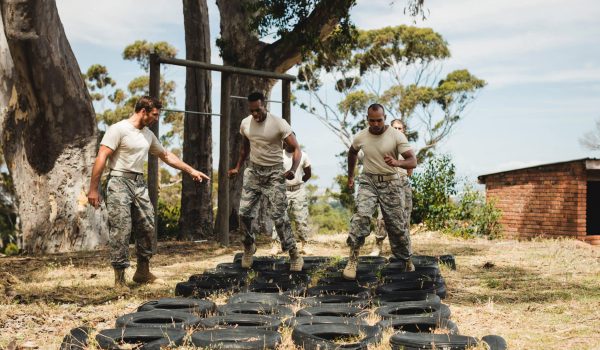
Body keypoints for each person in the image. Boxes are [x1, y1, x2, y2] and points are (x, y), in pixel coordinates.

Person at [87, 96, 210, 289]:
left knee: (147, 225)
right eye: (154, 114)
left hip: (139, 183)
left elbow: (166, 155)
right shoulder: (118, 129)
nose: (156, 118)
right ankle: (119, 278)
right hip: (119, 181)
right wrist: (93, 189)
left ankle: (142, 272)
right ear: (143, 111)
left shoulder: (148, 134)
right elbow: (102, 156)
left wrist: (191, 170)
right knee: (121, 229)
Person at [228, 92, 304, 271]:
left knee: (279, 216)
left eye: (258, 110)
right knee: (244, 214)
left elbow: (296, 148)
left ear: (265, 106)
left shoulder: (279, 124)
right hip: (254, 171)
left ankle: (294, 254)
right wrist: (238, 167)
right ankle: (249, 246)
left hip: (274, 173)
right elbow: (245, 146)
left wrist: (293, 169)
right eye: (252, 110)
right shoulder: (246, 123)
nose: (255, 114)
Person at [343, 104, 417, 280]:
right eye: (372, 120)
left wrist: (397, 163)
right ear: (367, 119)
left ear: (384, 118)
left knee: (397, 226)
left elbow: (412, 161)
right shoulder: (361, 136)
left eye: (379, 120)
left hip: (391, 182)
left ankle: (406, 258)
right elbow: (352, 152)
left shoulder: (396, 135)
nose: (376, 124)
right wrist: (351, 176)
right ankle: (353, 259)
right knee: (361, 216)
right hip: (368, 181)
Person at [370, 118, 413, 256]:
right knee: (382, 217)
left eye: (400, 128)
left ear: (404, 130)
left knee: (405, 217)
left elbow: (411, 166)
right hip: (388, 184)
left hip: (403, 183)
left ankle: (404, 249)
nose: (397, 130)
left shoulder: (406, 146)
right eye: (395, 127)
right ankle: (378, 245)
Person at [270, 134, 312, 254]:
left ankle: (305, 245)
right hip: (283, 190)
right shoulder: (279, 156)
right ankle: (276, 245)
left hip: (298, 190)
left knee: (301, 218)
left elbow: (308, 173)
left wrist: (299, 183)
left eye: (291, 139)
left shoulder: (303, 155)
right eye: (286, 140)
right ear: (283, 141)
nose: (289, 142)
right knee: (279, 218)